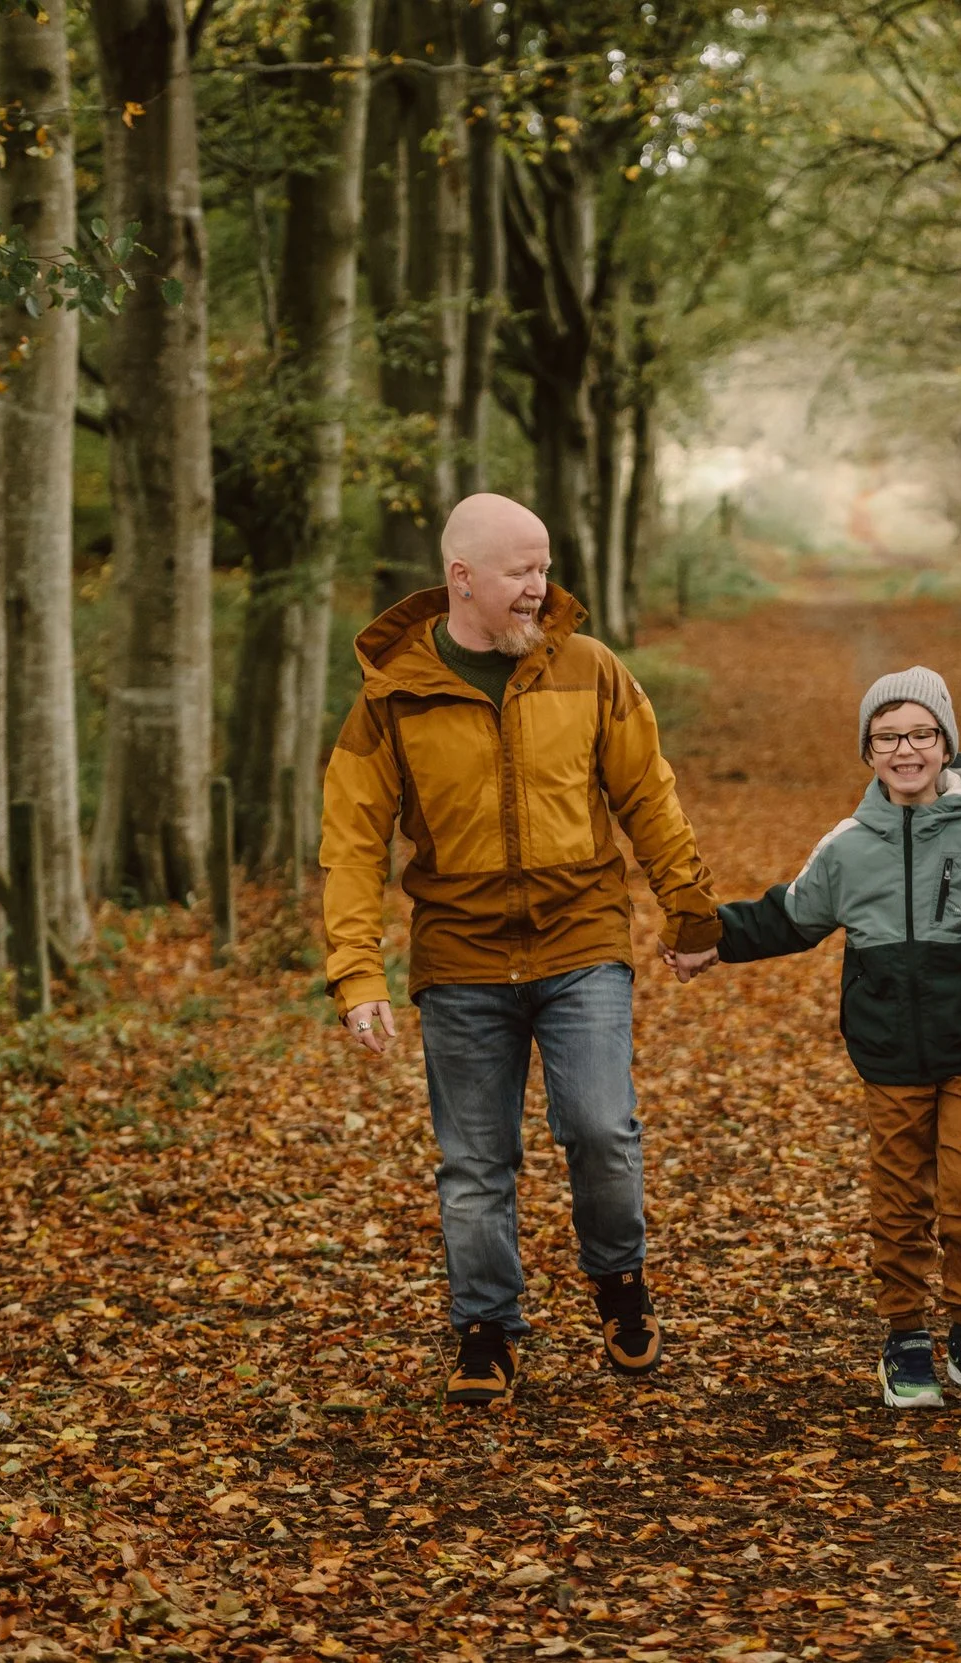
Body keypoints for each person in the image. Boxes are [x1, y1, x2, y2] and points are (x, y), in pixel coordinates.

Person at [320, 493, 724, 1406]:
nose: (540, 587)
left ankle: (619, 1281)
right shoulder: (394, 694)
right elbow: (351, 839)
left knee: (600, 1130)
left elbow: (647, 795)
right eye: (520, 571)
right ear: (462, 579)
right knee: (474, 1163)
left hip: (581, 937)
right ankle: (486, 1327)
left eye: (544, 566)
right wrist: (356, 970)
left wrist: (689, 911)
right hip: (459, 954)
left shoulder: (588, 669)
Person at [689, 669, 961, 1410]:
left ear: (946, 741)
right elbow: (789, 916)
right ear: (868, 750)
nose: (905, 749)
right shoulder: (849, 846)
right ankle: (905, 1334)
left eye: (921, 733)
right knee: (899, 1200)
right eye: (887, 736)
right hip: (889, 1050)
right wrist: (710, 939)